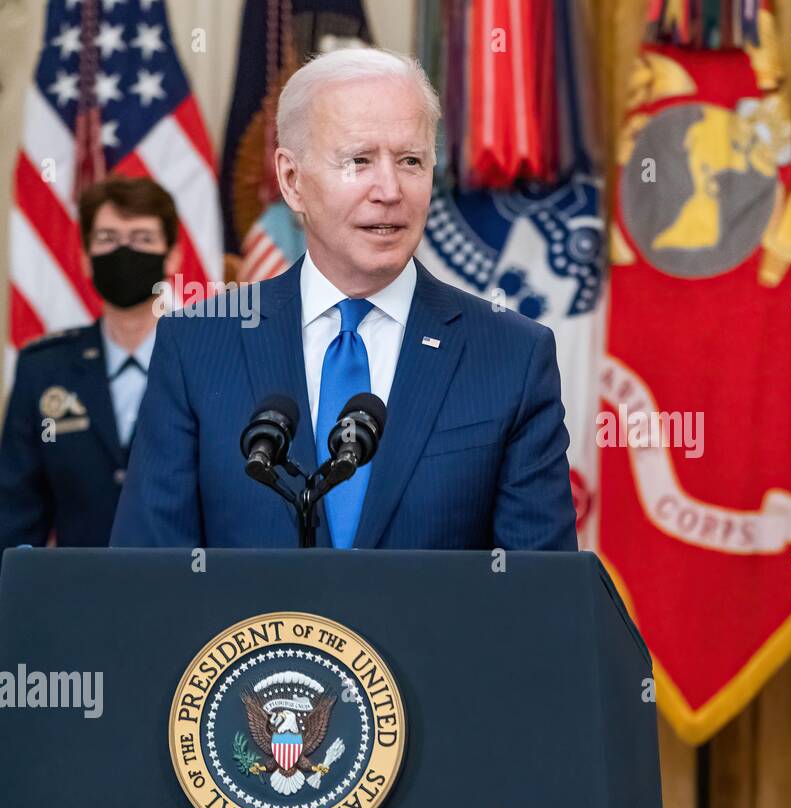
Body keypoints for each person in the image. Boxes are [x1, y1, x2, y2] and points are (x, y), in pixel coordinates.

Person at [110, 48, 576, 551]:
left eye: (411, 161)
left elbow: (539, 602)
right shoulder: (196, 348)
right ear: (292, 181)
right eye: (359, 160)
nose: (390, 190)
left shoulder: (512, 356)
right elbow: (148, 584)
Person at [0, 176, 181, 556]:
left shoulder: (207, 365)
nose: (124, 251)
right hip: (74, 601)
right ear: (85, 257)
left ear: (172, 255)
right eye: (108, 239)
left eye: (142, 239)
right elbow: (15, 519)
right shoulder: (44, 370)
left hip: (187, 599)